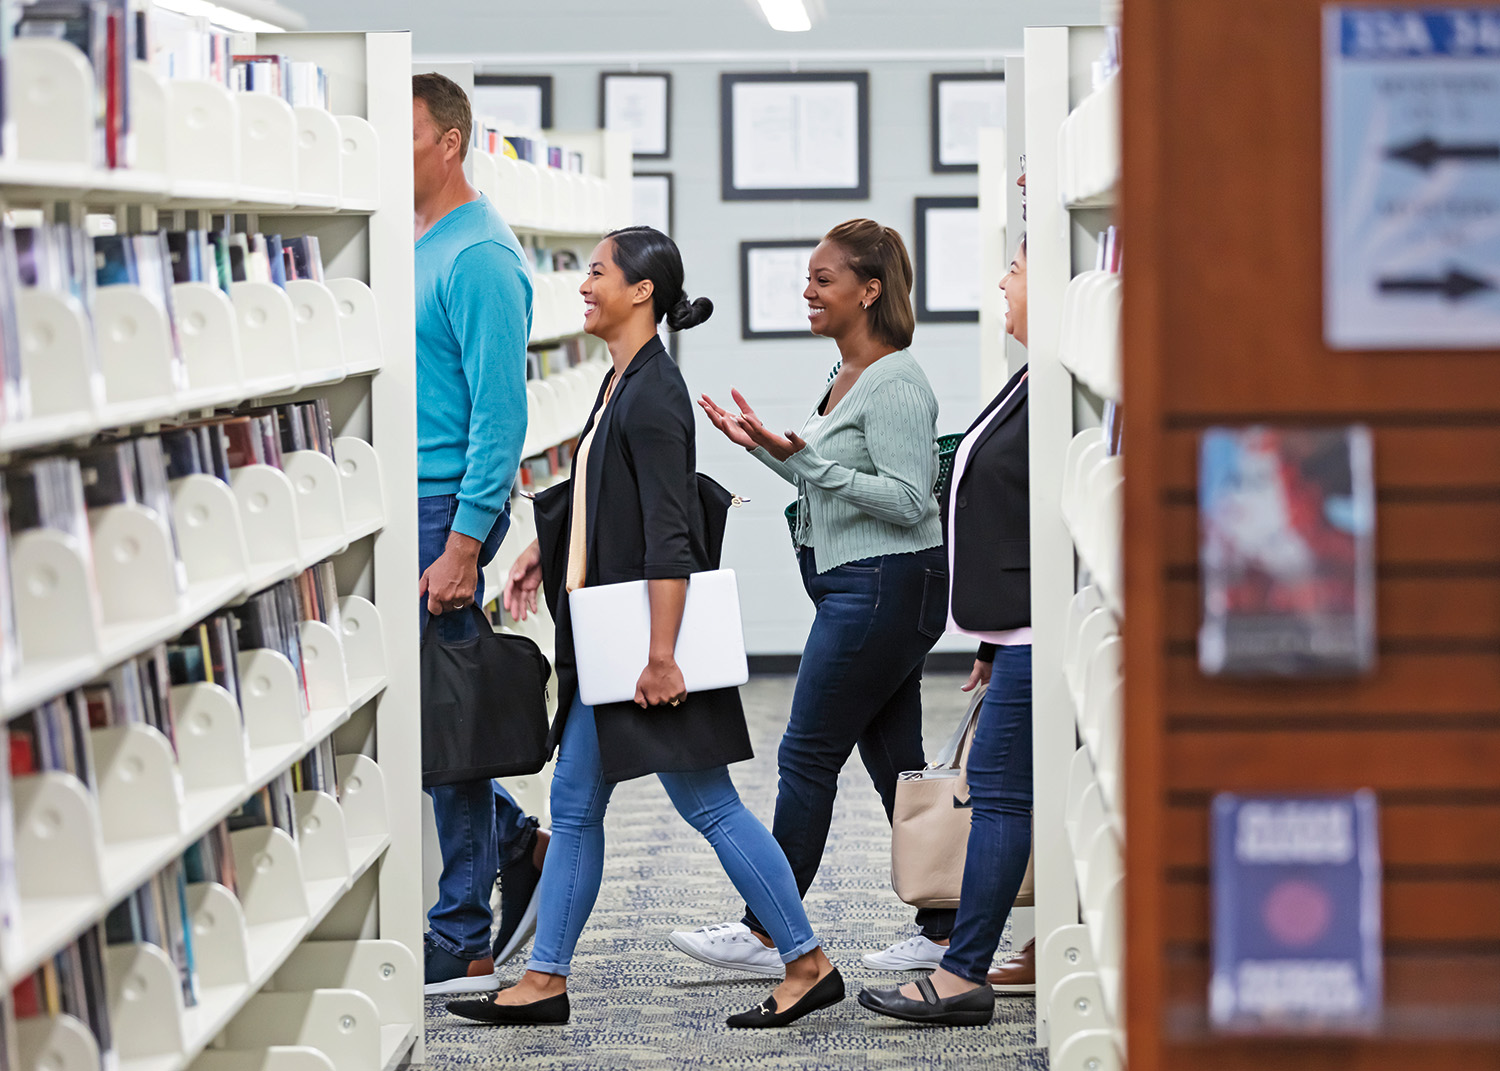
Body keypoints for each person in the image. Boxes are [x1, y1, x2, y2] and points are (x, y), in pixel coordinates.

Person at [444, 226, 843, 1029]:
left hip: (645, 647)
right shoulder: (621, 380)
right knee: (578, 801)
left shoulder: (655, 393)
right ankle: (546, 978)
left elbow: (671, 536)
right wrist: (542, 558)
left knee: (710, 807)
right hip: (613, 640)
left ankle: (806, 960)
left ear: (642, 293)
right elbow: (598, 490)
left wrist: (663, 657)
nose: (582, 287)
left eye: (595, 273)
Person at [682, 219, 955, 976]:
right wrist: (768, 448)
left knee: (806, 755)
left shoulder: (896, 379)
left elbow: (909, 502)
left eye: (823, 278)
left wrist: (809, 463)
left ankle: (770, 932)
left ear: (869, 290)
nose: (808, 290)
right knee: (899, 765)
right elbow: (827, 477)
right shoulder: (847, 376)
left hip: (882, 587)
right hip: (862, 586)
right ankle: (944, 925)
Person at [860, 235, 1034, 1026]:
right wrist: (994, 637)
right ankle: (983, 957)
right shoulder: (1038, 376)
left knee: (998, 790)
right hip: (1022, 633)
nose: (1003, 277)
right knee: (1009, 790)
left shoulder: (1064, 384)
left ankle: (962, 971)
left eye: (1021, 267)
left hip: (1047, 634)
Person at [412, 72, 548, 996]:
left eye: (405, 133)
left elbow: (500, 413)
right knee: (423, 717)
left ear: (450, 141)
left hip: (443, 506)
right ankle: (509, 839)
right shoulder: (410, 240)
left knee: (446, 726)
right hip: (399, 503)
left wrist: (465, 540)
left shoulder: (481, 255)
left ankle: (461, 928)